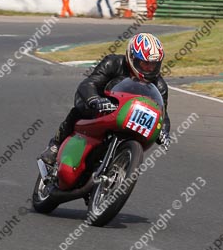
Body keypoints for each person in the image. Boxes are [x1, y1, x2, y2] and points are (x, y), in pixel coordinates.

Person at [40, 32, 171, 165]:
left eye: (153, 65)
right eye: (145, 64)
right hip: (101, 106)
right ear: (132, 58)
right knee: (78, 111)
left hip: (129, 117)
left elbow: (162, 113)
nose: (149, 69)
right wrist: (95, 100)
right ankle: (55, 145)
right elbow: (90, 83)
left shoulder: (159, 85)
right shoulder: (112, 63)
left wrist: (164, 131)